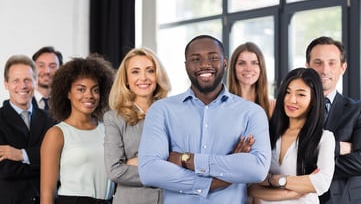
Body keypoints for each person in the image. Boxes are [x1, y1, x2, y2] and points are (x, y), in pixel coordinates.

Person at [138, 34, 271, 204]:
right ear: (186, 66)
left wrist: (187, 159)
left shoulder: (252, 113)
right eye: (196, 59)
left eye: (213, 58)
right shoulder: (161, 110)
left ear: (224, 62)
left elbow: (257, 169)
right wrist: (222, 173)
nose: (205, 64)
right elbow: (149, 171)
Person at [248, 67, 335, 203]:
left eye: (301, 94)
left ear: (314, 99)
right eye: (287, 92)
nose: (291, 100)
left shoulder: (324, 138)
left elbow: (322, 182)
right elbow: (251, 187)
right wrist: (292, 193)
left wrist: (274, 179)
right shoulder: (267, 132)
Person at [40, 54, 115, 204]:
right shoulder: (57, 134)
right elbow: (47, 192)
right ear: (67, 93)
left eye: (95, 90)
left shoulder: (108, 130)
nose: (89, 95)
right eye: (81, 89)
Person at [103, 48, 171, 204]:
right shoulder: (114, 118)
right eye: (135, 72)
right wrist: (163, 169)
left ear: (158, 75)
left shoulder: (172, 114)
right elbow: (115, 171)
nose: (144, 78)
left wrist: (139, 161)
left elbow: (184, 160)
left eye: (150, 71)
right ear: (126, 79)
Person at [305, 36, 361, 204]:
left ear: (343, 68)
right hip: (297, 199)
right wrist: (339, 148)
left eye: (332, 63)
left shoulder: (357, 110)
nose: (324, 70)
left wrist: (308, 165)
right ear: (307, 67)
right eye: (318, 62)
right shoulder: (291, 107)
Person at [0, 55, 56, 204]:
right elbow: (5, 169)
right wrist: (45, 163)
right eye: (16, 81)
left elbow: (60, 159)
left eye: (27, 80)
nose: (23, 86)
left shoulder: (51, 119)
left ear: (36, 82)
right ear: (6, 84)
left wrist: (21, 155)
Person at [227, 42, 276, 119]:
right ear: (234, 68)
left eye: (254, 63)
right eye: (242, 63)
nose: (248, 69)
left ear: (261, 68)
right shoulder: (223, 106)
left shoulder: (273, 106)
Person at [32, 46, 63, 110]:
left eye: (52, 66)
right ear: (32, 69)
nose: (47, 71)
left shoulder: (66, 103)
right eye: (41, 65)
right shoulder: (23, 101)